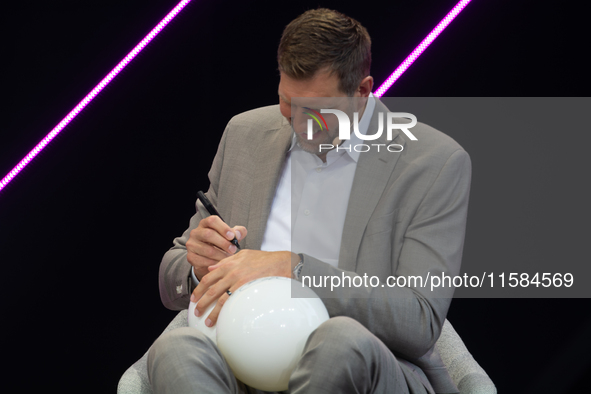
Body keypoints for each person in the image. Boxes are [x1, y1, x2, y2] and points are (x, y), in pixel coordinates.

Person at [148, 8, 471, 394]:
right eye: (287, 102)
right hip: (242, 361)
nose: (299, 124)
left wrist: (294, 268)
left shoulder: (433, 162)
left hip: (366, 363)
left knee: (338, 341)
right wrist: (200, 266)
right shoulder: (244, 134)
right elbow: (172, 279)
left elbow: (419, 320)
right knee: (174, 349)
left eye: (317, 110)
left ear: (363, 91)